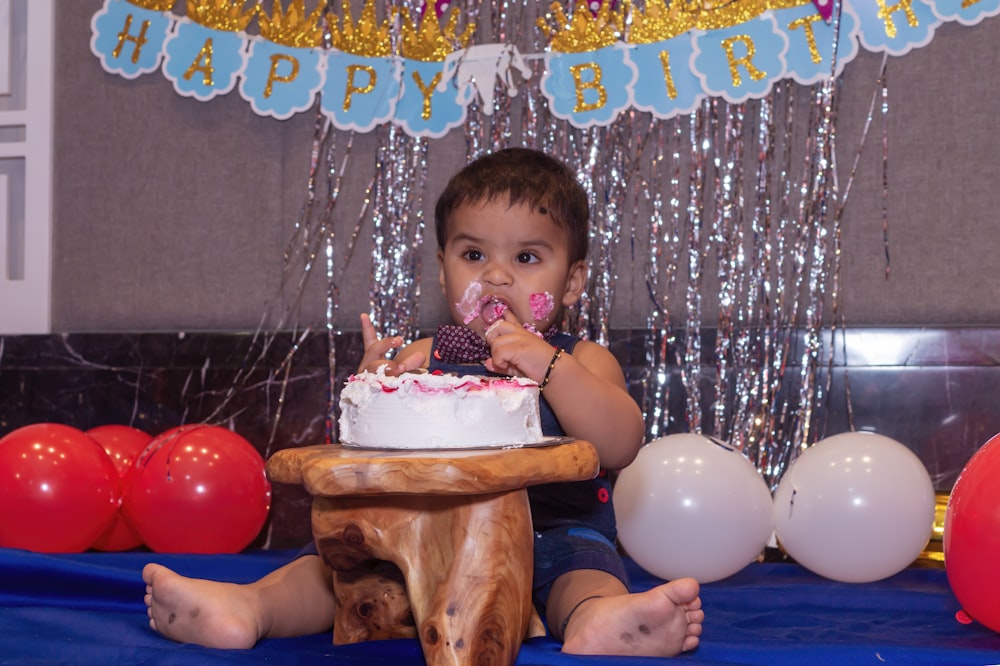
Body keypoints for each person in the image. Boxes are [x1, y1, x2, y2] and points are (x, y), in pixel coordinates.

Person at [142, 147, 704, 658]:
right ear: (443, 269)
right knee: (335, 570)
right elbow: (372, 447)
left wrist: (547, 365)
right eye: (474, 253)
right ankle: (249, 610)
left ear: (573, 280)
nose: (497, 275)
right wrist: (373, 384)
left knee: (583, 573)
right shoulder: (424, 353)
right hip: (421, 528)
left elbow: (621, 442)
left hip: (551, 533)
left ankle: (601, 620)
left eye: (528, 257)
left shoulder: (579, 358)